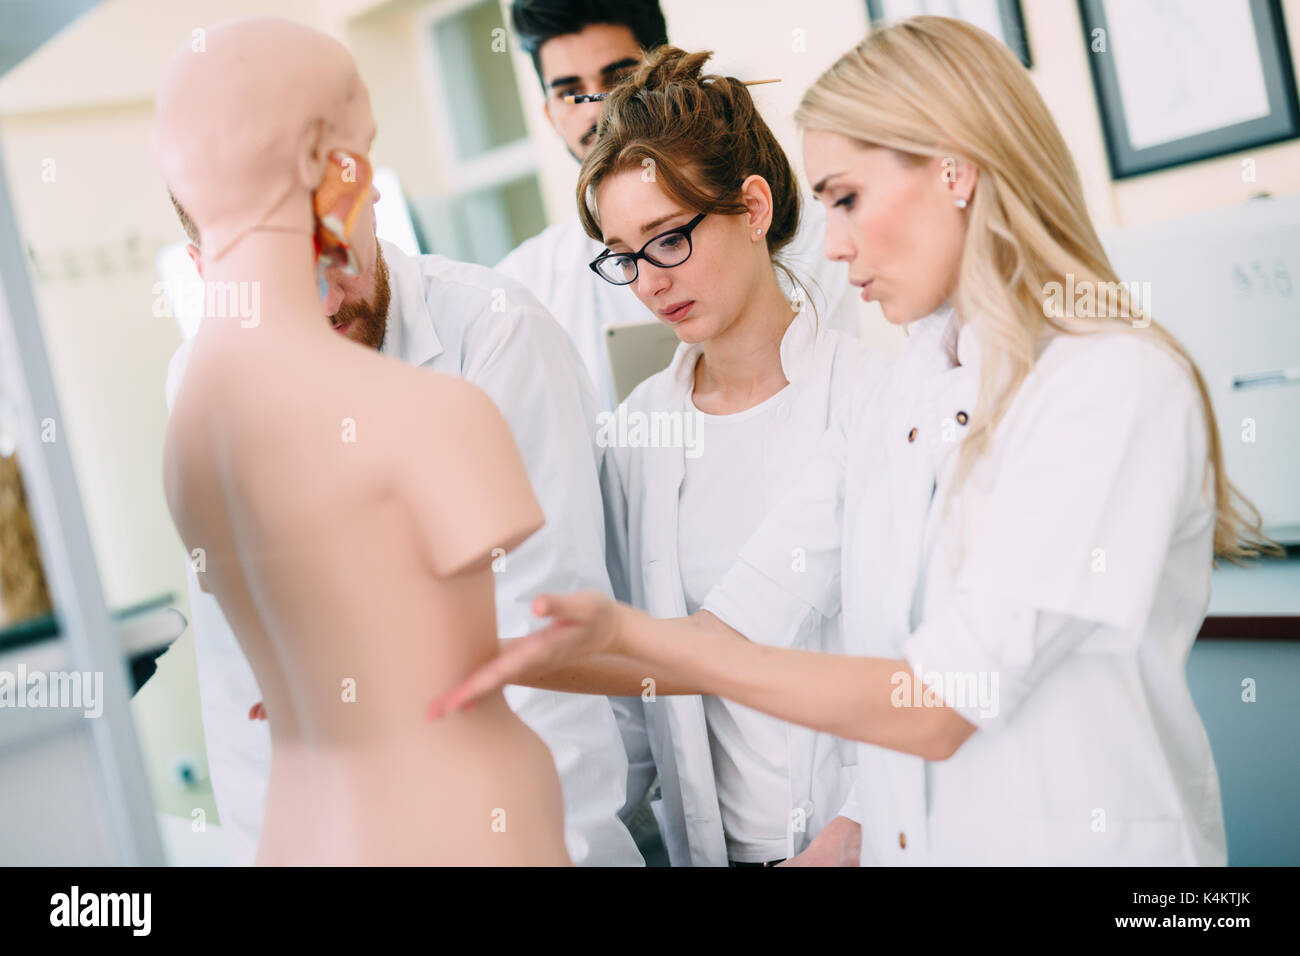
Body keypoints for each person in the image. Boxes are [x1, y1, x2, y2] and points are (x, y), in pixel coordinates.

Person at [429, 16, 1282, 866]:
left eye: (845, 197)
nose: (831, 242)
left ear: (959, 169)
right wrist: (462, 654)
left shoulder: (1109, 386)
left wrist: (638, 643)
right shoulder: (913, 387)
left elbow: (939, 705)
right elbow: (728, 634)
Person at [157, 16, 570, 865]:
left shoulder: (190, 436)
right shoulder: (438, 416)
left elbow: (547, 647)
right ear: (319, 161)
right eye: (361, 153)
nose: (370, 186)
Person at [584, 46, 881, 867]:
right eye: (622, 254)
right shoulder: (640, 433)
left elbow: (925, 663)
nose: (647, 281)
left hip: (865, 845)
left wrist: (849, 840)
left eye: (667, 238)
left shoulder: (874, 404)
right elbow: (636, 696)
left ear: (752, 207)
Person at [497, 0, 859, 410]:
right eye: (570, 92)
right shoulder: (525, 283)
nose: (596, 109)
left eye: (616, 78)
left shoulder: (806, 231)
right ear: (548, 113)